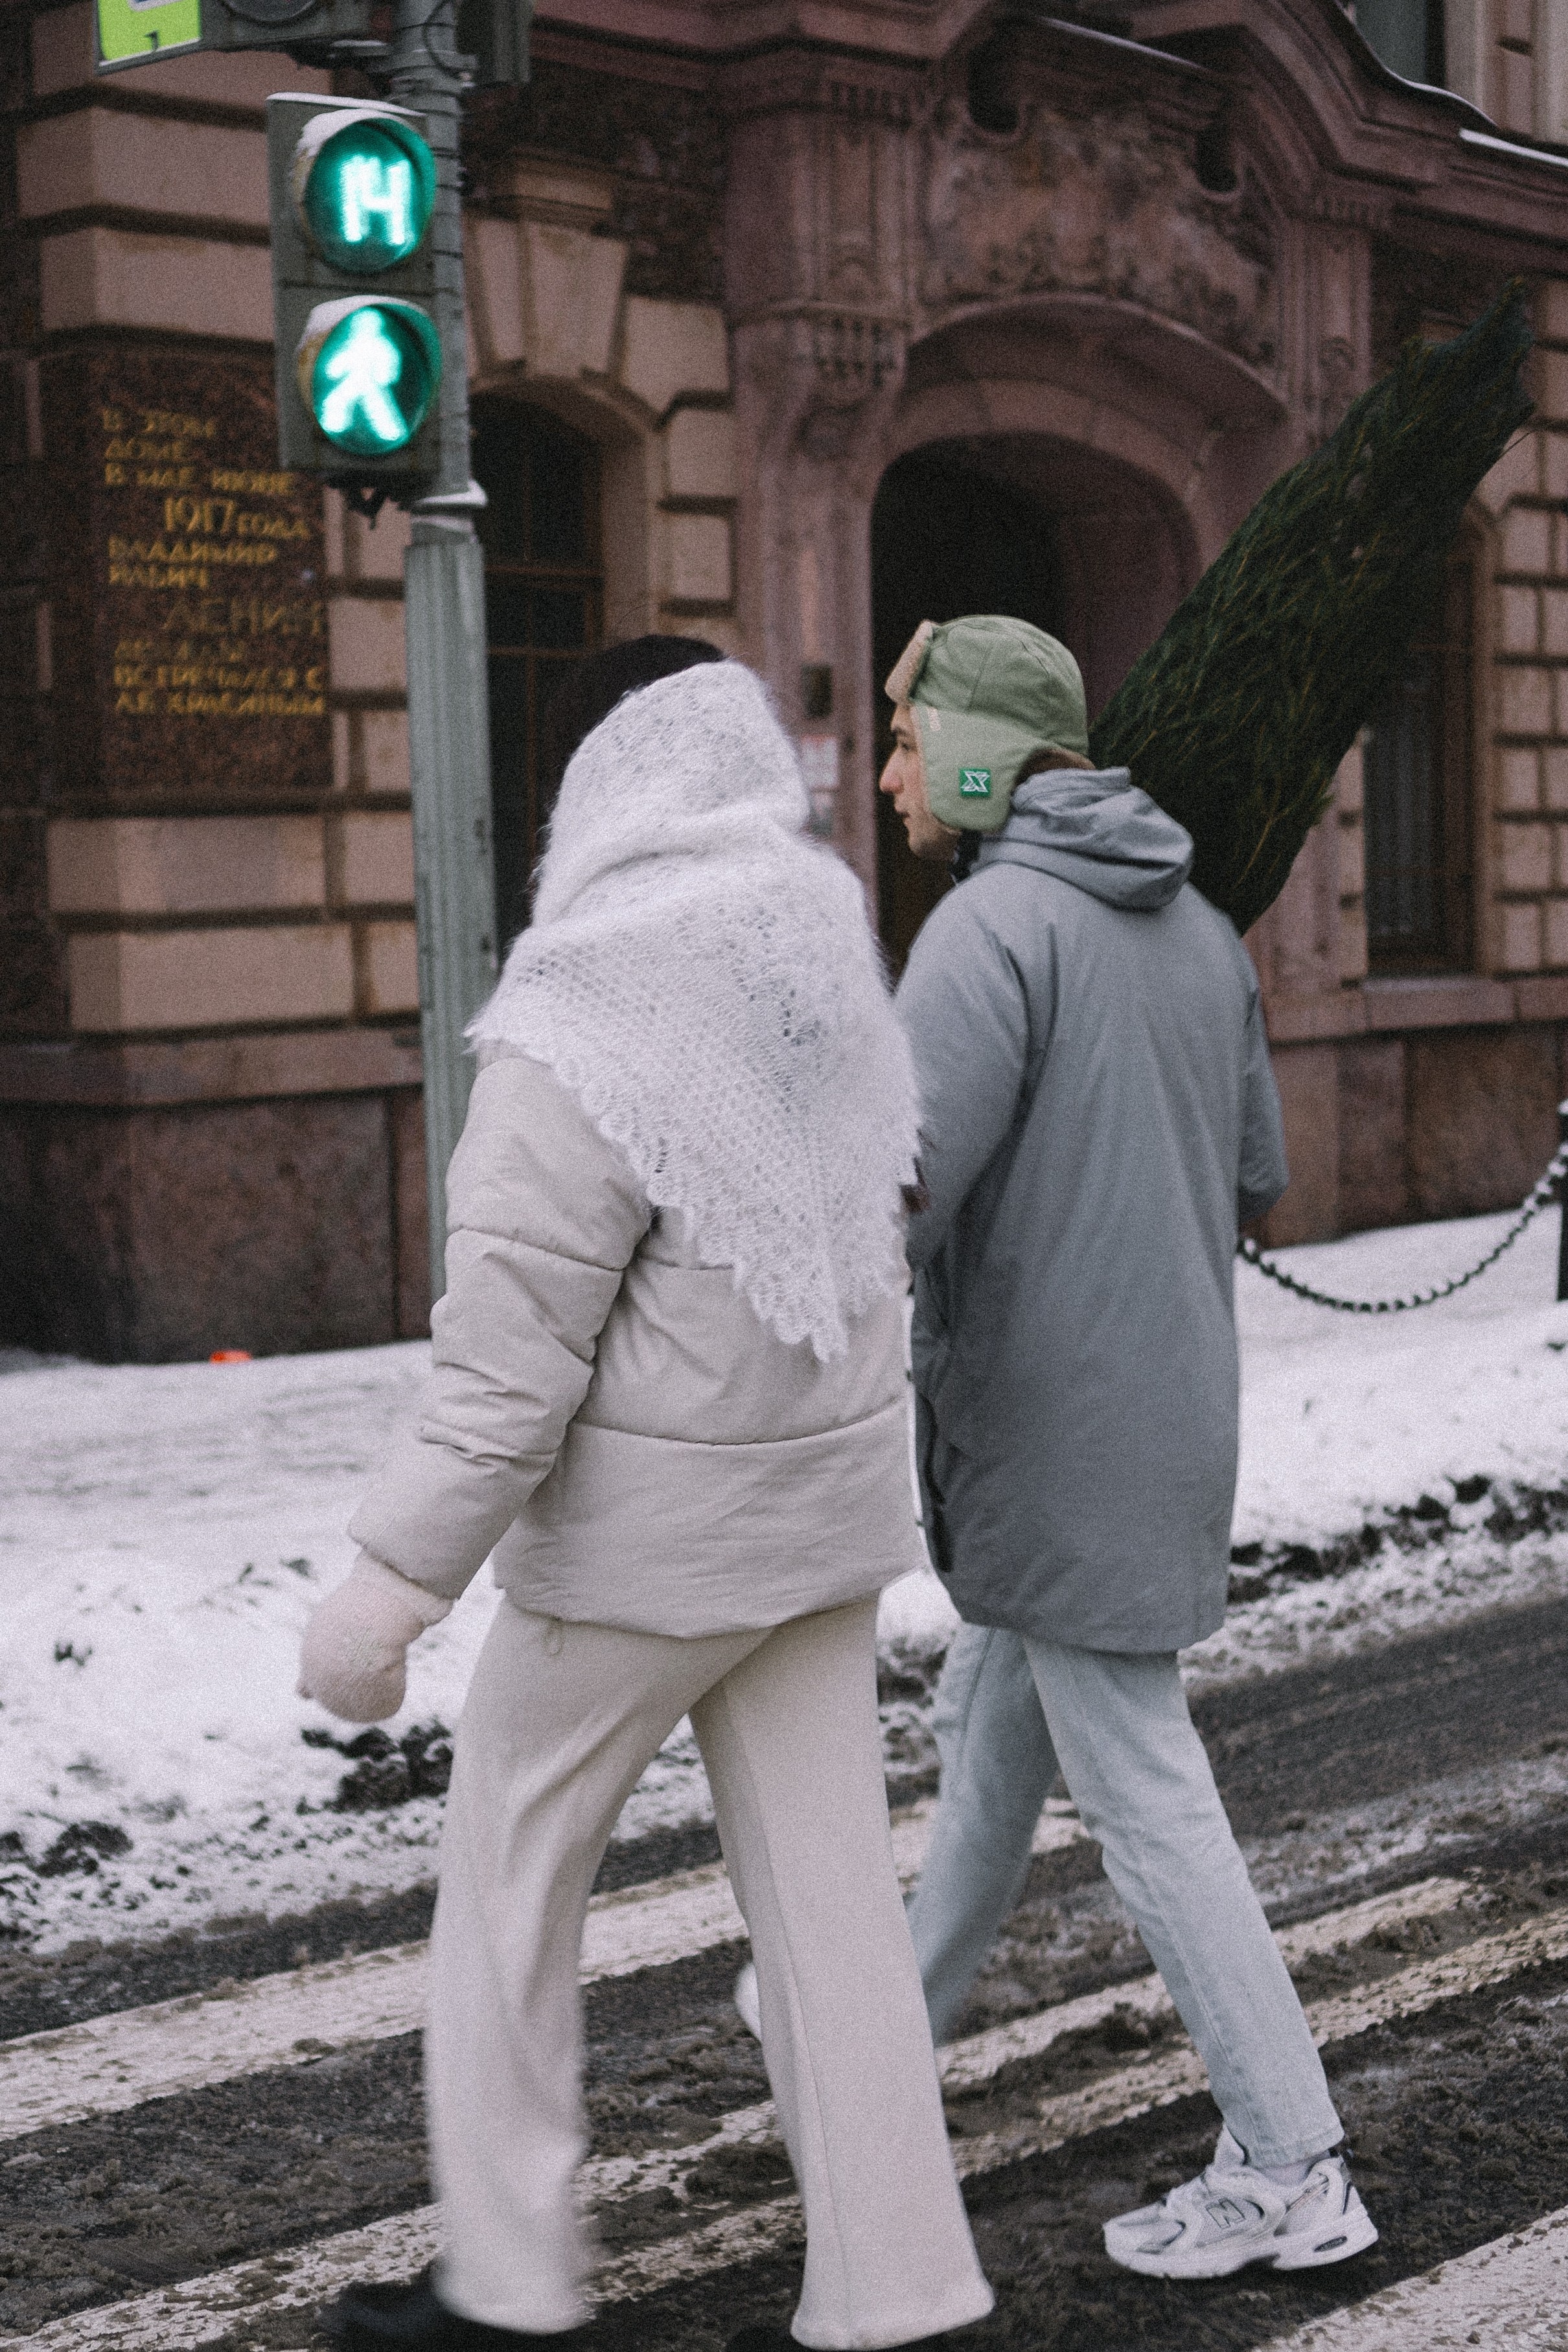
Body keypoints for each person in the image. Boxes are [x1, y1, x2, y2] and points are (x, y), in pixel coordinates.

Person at [298, 638, 994, 2352]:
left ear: (592, 779)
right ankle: (905, 2293)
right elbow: (879, 1220)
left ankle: (511, 2286)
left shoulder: (588, 993)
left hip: (639, 1559)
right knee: (834, 1909)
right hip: (818, 1532)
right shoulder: (826, 939)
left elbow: (507, 1353)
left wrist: (389, 1585)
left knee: (511, 1886)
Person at [879, 614, 1378, 2283]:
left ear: (974, 751)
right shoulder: (1200, 935)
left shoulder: (986, 930)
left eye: (906, 739)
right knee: (992, 1731)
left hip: (1048, 1434)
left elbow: (896, 1192)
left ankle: (1295, 2157)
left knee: (1151, 1799)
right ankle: (873, 2043)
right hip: (1166, 1417)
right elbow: (1255, 1181)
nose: (888, 773)